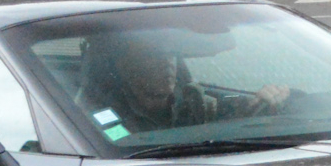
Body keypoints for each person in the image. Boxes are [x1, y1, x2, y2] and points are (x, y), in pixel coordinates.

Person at [87, 35, 289, 136]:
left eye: (171, 55)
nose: (166, 62)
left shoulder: (194, 100)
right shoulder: (104, 117)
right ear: (125, 65)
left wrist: (263, 102)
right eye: (153, 56)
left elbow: (232, 116)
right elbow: (123, 146)